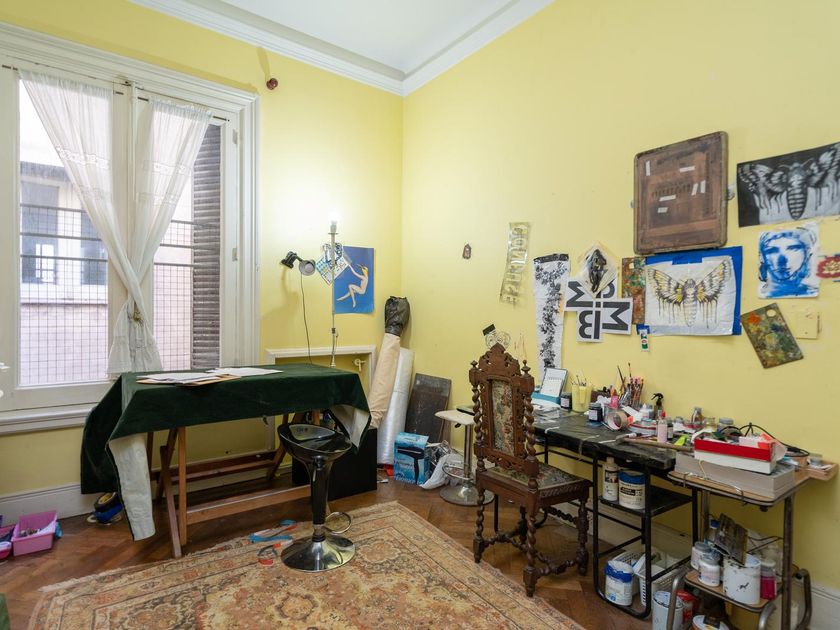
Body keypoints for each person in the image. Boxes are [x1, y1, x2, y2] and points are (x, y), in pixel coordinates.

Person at [758, 227, 817, 297]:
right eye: (772, 251)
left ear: (807, 253)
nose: (782, 260)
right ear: (761, 257)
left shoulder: (813, 292)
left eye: (792, 249)